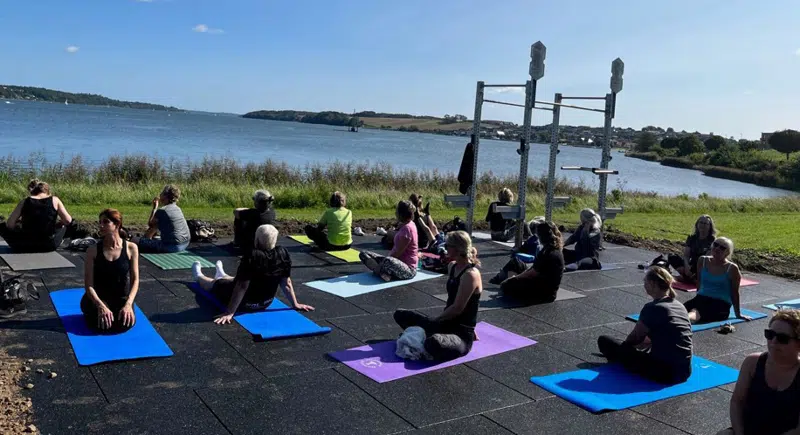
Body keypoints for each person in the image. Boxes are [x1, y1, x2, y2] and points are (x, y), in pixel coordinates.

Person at [192, 224, 314, 324]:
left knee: (216, 284)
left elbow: (241, 286)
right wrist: (295, 304)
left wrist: (230, 312)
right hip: (265, 303)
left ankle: (199, 276)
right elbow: (286, 283)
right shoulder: (282, 254)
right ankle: (221, 273)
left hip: (245, 304)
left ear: (256, 239)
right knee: (238, 279)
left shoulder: (252, 256)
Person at [393, 230, 482, 361]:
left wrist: (436, 320)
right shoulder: (452, 266)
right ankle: (427, 333)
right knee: (400, 314)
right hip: (445, 324)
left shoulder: (470, 275)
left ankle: (427, 336)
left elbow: (457, 308)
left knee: (433, 343)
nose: (445, 249)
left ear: (457, 249)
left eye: (447, 246)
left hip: (461, 333)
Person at [597, 266, 693, 384]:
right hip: (684, 372)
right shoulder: (679, 306)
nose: (644, 285)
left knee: (605, 341)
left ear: (652, 284)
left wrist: (623, 350)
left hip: (665, 373)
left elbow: (634, 338)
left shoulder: (652, 308)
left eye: (645, 282)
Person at [720, 309, 800, 435]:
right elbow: (737, 401)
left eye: (782, 338)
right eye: (770, 334)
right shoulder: (753, 362)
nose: (773, 341)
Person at [80, 209, 140, 333]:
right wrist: (100, 305)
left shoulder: (131, 248)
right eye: (100, 222)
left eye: (105, 222)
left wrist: (129, 304)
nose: (101, 225)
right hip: (98, 298)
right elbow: (89, 285)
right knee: (100, 325)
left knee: (124, 325)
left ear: (117, 225)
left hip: (120, 298)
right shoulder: (92, 250)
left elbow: (135, 280)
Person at [684, 237, 751, 324]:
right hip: (701, 299)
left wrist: (738, 314)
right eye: (715, 245)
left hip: (720, 305)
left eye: (722, 248)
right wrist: (696, 299)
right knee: (677, 310)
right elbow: (699, 283)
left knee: (695, 313)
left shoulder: (732, 268)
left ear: (727, 253)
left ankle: (682, 320)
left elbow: (735, 293)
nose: (717, 248)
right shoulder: (702, 260)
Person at [496, 221, 565, 304]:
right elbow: (534, 268)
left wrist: (514, 279)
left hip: (544, 293)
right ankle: (503, 279)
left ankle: (504, 281)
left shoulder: (548, 253)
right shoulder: (549, 249)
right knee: (515, 263)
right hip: (541, 282)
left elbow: (532, 273)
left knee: (506, 285)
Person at [0, 179, 74, 253]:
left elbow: (9, 225)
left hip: (25, 245)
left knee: (4, 227)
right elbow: (68, 220)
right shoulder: (55, 200)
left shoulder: (24, 202)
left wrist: (18, 225)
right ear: (48, 191)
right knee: (63, 226)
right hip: (49, 246)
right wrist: (59, 224)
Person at [360, 200, 418, 282]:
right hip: (394, 263)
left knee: (388, 260)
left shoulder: (407, 230)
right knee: (364, 254)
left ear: (400, 214)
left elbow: (397, 254)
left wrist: (381, 264)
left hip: (408, 269)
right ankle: (383, 273)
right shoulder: (407, 224)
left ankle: (379, 271)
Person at [133, 184, 191, 253]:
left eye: (162, 193)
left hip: (172, 246)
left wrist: (155, 208)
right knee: (156, 229)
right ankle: (146, 240)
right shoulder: (178, 208)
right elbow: (155, 226)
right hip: (185, 243)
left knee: (134, 240)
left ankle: (144, 241)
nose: (160, 194)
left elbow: (150, 224)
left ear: (166, 196)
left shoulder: (162, 211)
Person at [668, 215, 716, 284]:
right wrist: (687, 266)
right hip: (690, 265)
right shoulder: (692, 238)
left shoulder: (712, 240)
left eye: (705, 223)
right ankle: (689, 278)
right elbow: (686, 255)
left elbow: (706, 259)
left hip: (702, 266)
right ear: (697, 224)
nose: (703, 225)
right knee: (672, 256)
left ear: (710, 226)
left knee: (699, 261)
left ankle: (687, 278)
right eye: (701, 223)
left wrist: (692, 268)